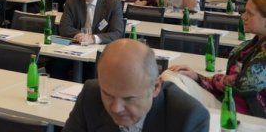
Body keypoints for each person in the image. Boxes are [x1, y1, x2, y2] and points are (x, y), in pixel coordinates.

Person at [64, 39, 209, 132]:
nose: (116, 108)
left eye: (129, 98)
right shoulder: (90, 95)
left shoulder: (189, 117)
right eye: (108, 95)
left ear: (156, 87)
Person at [169, 0, 266, 118]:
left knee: (171, 83)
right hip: (228, 104)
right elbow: (230, 82)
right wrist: (197, 77)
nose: (243, 16)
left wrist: (201, 78)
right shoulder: (248, 46)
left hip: (244, 116)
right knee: (173, 76)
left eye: (250, 13)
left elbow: (239, 84)